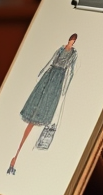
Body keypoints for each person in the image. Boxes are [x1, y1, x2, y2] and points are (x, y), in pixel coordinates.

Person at [8, 34, 78, 175]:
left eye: (73, 41)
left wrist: (66, 86)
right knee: (39, 99)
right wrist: (42, 71)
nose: (72, 42)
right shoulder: (61, 49)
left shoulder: (74, 54)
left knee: (47, 102)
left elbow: (71, 71)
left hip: (58, 78)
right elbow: (51, 60)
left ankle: (17, 157)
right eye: (71, 40)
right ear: (69, 40)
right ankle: (15, 157)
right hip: (50, 74)